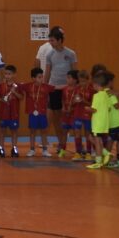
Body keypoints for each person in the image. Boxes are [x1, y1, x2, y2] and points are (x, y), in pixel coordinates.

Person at [43, 29, 77, 157]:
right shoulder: (49, 55)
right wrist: (45, 88)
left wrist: (74, 88)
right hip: (54, 89)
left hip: (67, 90)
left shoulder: (71, 54)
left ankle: (65, 143)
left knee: (66, 119)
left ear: (59, 40)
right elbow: (47, 73)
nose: (50, 42)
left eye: (52, 40)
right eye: (49, 40)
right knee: (56, 119)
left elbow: (75, 72)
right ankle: (61, 144)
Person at [21, 67, 55, 157]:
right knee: (32, 131)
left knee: (44, 131)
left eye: (42, 77)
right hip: (32, 113)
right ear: (33, 78)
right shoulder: (28, 86)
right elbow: (17, 85)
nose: (41, 79)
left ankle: (45, 150)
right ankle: (32, 149)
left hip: (42, 113)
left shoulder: (46, 87)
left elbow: (56, 88)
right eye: (39, 77)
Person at [86, 72, 112, 169]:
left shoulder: (96, 96)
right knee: (93, 138)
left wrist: (87, 109)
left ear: (96, 84)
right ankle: (105, 153)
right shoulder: (106, 94)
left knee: (97, 141)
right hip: (104, 122)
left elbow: (94, 109)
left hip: (97, 122)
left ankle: (98, 161)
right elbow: (109, 108)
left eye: (93, 84)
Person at [0, 64, 22, 158]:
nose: (7, 76)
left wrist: (14, 92)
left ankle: (14, 148)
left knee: (14, 131)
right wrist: (2, 100)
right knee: (2, 131)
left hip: (14, 113)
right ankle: (1, 148)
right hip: (4, 113)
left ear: (14, 74)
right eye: (6, 74)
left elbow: (21, 97)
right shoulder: (1, 85)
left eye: (9, 74)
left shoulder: (17, 86)